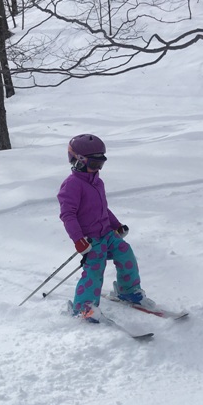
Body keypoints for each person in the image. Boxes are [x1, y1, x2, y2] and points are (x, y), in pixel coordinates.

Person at [57, 133, 155, 323]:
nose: (97, 169)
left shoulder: (97, 183)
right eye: (94, 164)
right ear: (78, 161)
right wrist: (78, 239)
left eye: (100, 164)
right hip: (91, 241)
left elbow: (102, 209)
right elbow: (67, 215)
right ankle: (84, 307)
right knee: (95, 269)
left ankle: (128, 291)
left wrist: (116, 225)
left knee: (126, 253)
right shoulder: (72, 186)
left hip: (107, 234)